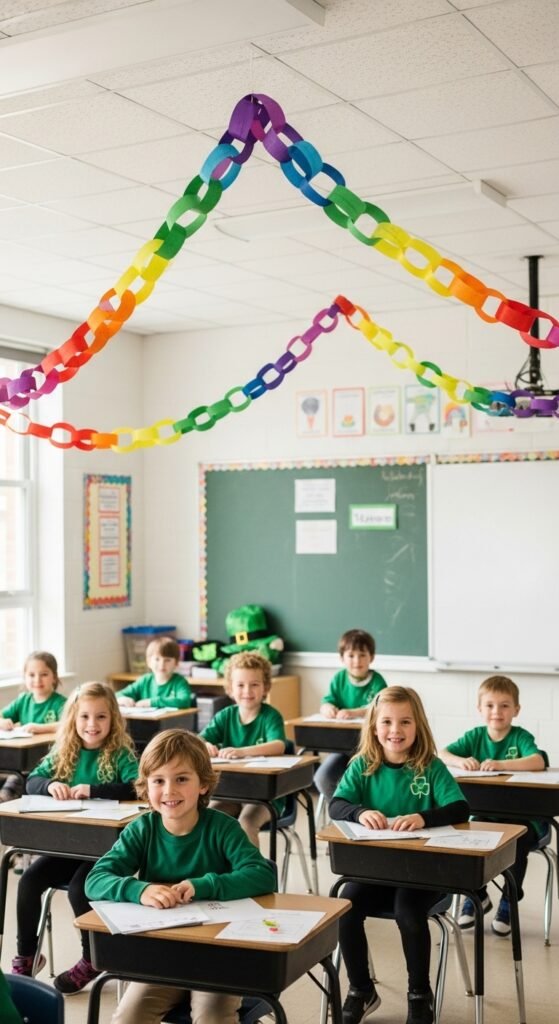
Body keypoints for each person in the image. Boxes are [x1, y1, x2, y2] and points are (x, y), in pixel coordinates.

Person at [85, 728, 277, 1024]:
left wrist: (205, 884)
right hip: (163, 956)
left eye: (182, 779)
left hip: (219, 955)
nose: (169, 791)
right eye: (158, 781)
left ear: (203, 784)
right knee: (127, 1017)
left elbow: (262, 876)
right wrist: (140, 890)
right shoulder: (143, 828)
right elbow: (95, 879)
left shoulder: (222, 828)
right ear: (146, 786)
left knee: (212, 1017)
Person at [330, 685, 469, 1024]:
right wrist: (359, 812)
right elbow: (336, 804)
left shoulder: (430, 767)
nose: (395, 731)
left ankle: (419, 994)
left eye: (405, 722)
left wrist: (424, 817)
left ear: (417, 725)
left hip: (423, 873)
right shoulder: (363, 765)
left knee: (408, 913)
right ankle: (361, 989)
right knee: (345, 909)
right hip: (377, 869)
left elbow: (460, 809)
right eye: (387, 722)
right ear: (374, 727)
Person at [11, 682, 138, 994]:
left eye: (100, 717)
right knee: (28, 881)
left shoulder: (119, 753)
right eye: (84, 717)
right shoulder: (65, 750)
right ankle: (27, 956)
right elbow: (33, 781)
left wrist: (94, 790)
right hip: (71, 844)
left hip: (108, 851)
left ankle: (92, 958)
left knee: (81, 889)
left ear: (113, 720)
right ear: (73, 719)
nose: (92, 725)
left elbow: (138, 787)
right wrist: (51, 784)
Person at [439, 674, 548, 936]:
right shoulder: (474, 736)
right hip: (486, 815)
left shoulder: (520, 736)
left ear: (516, 710)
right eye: (489, 705)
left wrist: (501, 764)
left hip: (522, 818)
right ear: (479, 709)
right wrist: (459, 761)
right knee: (465, 836)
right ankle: (476, 895)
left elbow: (538, 761)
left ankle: (509, 901)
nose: (496, 712)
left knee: (518, 841)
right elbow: (442, 753)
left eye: (504, 705)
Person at [200, 651, 286, 847]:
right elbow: (199, 740)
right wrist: (205, 745)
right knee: (207, 818)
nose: (247, 690)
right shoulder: (225, 715)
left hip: (266, 797)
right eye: (240, 685)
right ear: (230, 688)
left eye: (254, 684)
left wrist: (242, 751)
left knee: (246, 823)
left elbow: (279, 745)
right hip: (232, 792)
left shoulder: (270, 716)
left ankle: (251, 875)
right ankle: (217, 872)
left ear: (265, 687)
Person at [314, 629, 387, 804]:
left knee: (369, 781)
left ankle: (361, 810)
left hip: (370, 750)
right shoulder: (339, 678)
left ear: (371, 657)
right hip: (341, 749)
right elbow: (326, 702)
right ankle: (343, 812)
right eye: (351, 655)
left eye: (362, 655)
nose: (357, 661)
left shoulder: (377, 680)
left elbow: (381, 705)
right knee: (323, 778)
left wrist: (354, 712)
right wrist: (328, 708)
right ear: (342, 658)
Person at [0, 651, 66, 802]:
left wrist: (40, 727)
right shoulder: (23, 700)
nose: (37, 680)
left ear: (54, 677)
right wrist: (3, 722)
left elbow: (69, 724)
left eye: (44, 674)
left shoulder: (60, 702)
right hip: (22, 760)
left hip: (48, 759)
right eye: (31, 675)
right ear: (24, 677)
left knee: (18, 779)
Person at [116, 636, 193, 709]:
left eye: (167, 660)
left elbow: (184, 702)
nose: (162, 664)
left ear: (176, 663)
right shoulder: (144, 681)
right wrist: (122, 699)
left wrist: (152, 702)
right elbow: (117, 695)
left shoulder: (179, 682)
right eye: (157, 659)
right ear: (149, 662)